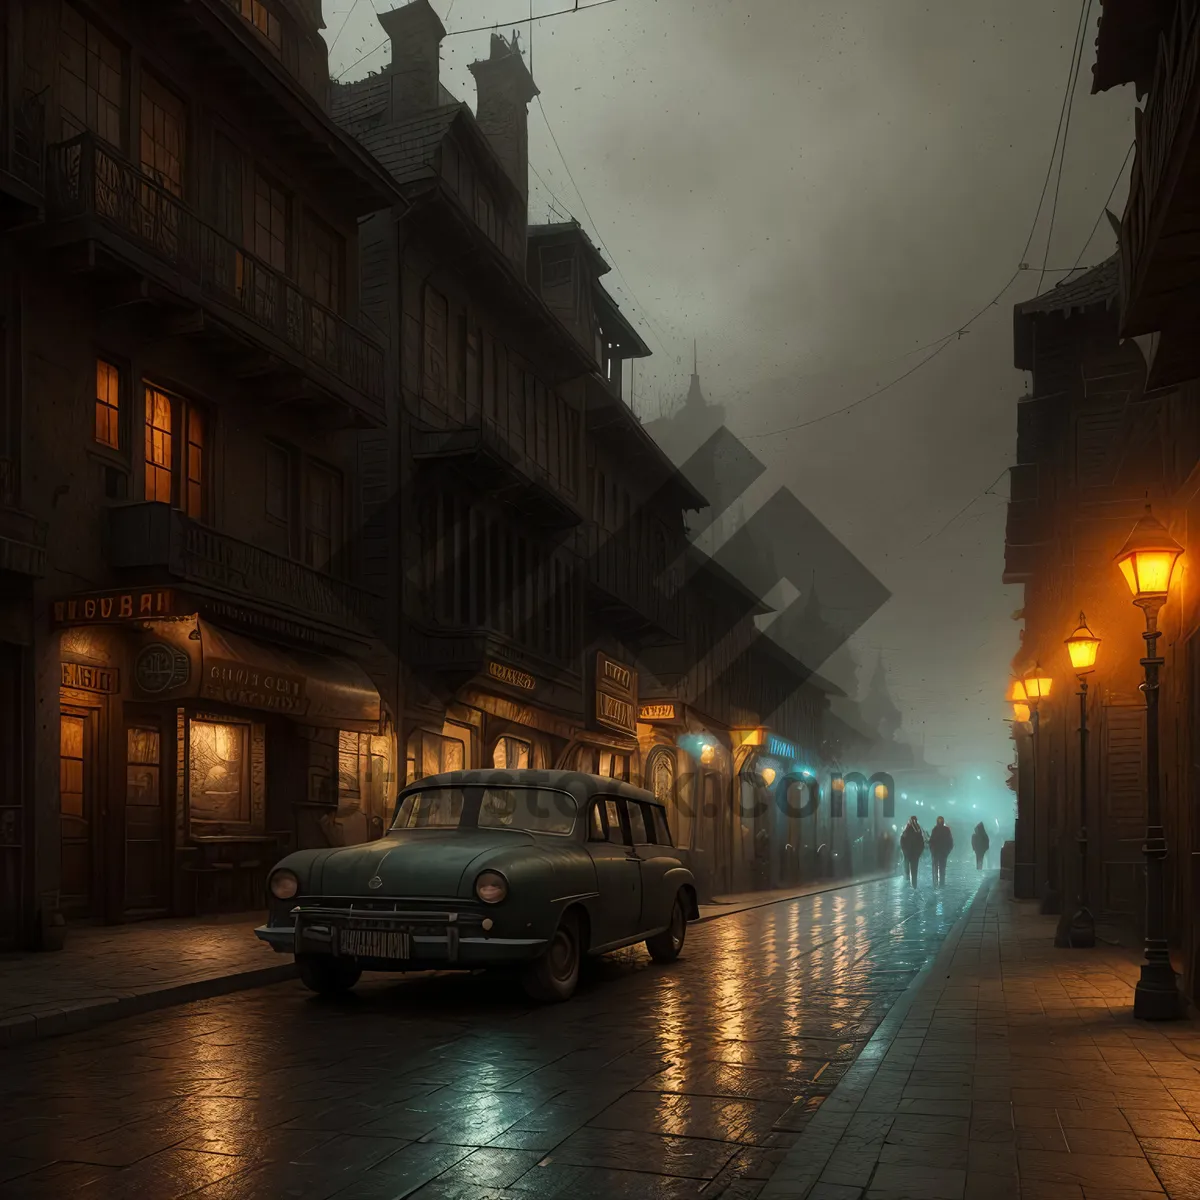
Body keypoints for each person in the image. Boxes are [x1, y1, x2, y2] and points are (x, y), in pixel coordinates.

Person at [900, 816, 924, 888]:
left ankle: (911, 886)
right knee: (910, 871)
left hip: (912, 854)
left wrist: (918, 852)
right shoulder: (913, 830)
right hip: (910, 854)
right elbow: (902, 842)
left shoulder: (915, 830)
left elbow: (921, 843)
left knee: (911, 871)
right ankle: (912, 886)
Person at [929, 816, 953, 886]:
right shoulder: (936, 830)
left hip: (941, 853)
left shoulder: (945, 830)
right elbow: (931, 842)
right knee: (937, 870)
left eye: (940, 821)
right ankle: (937, 884)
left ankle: (940, 884)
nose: (940, 822)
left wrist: (947, 851)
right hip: (937, 853)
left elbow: (950, 842)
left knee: (941, 870)